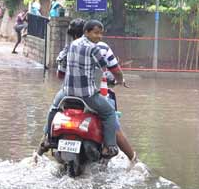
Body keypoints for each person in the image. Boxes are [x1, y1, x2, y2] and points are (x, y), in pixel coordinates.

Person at [39, 20, 136, 162]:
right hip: (87, 95)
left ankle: (45, 141)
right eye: (96, 33)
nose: (99, 36)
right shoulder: (98, 48)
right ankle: (112, 148)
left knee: (54, 108)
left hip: (67, 92)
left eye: (100, 33)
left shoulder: (70, 46)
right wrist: (119, 80)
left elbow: (61, 73)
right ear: (86, 32)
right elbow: (107, 69)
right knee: (109, 114)